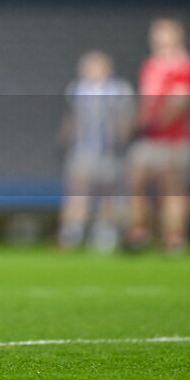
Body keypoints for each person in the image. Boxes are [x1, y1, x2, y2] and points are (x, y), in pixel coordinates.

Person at [126, 18, 190, 253]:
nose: (158, 37)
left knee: (172, 188)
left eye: (164, 33)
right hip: (149, 139)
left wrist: (155, 123)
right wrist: (135, 125)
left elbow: (179, 100)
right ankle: (139, 232)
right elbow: (145, 100)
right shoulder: (151, 64)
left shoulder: (183, 64)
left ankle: (174, 238)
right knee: (136, 182)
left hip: (173, 139)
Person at [56, 51, 134, 252]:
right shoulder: (78, 89)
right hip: (83, 148)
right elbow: (73, 118)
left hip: (109, 151)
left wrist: (122, 141)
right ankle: (72, 232)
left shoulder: (118, 89)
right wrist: (64, 140)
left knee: (108, 192)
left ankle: (105, 232)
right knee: (77, 190)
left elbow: (126, 119)